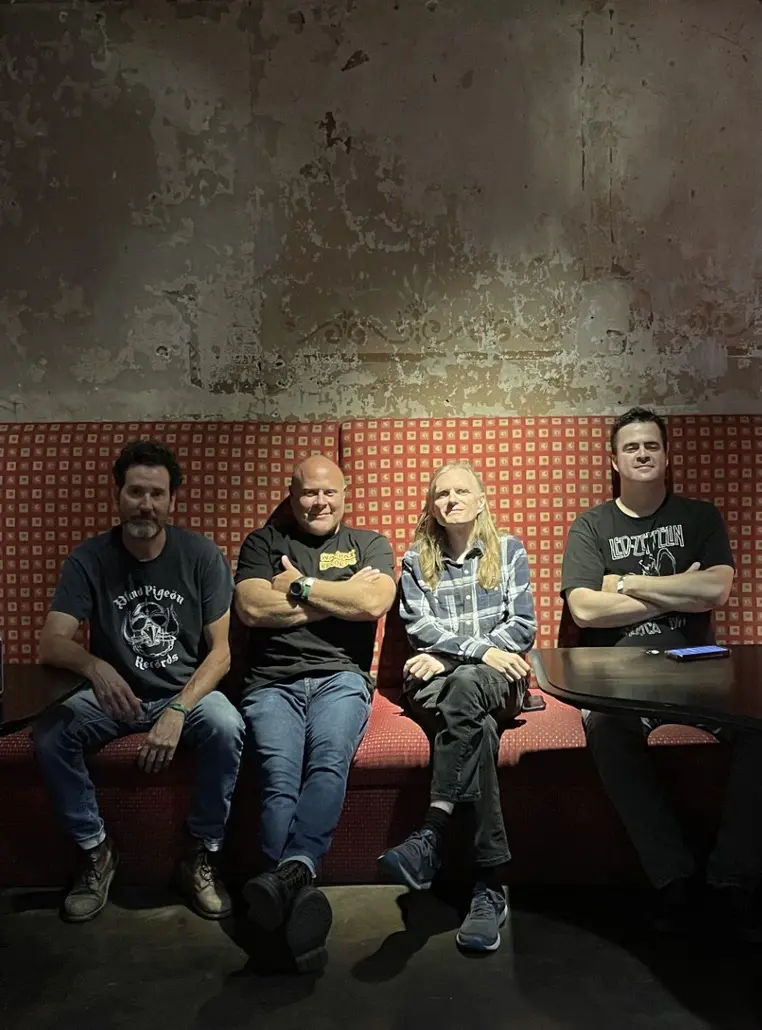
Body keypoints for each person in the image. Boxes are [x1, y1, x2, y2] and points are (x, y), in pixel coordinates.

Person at [561, 406, 762, 940]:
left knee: (759, 733)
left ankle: (731, 883)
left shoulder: (700, 518)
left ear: (667, 456)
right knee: (605, 731)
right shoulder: (592, 525)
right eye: (632, 448)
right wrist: (675, 588)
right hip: (617, 672)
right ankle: (674, 879)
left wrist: (622, 585)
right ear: (614, 460)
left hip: (700, 669)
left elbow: (716, 589)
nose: (643, 454)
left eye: (651, 446)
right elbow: (584, 609)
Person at [34, 441, 245, 924]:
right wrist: (95, 667)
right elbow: (52, 643)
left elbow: (222, 654)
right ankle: (96, 852)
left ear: (172, 501)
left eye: (156, 493)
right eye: (135, 492)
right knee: (50, 731)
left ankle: (201, 855)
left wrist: (178, 710)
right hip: (115, 697)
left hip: (184, 693)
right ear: (119, 496)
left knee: (227, 725)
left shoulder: (201, 556)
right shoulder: (90, 559)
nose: (145, 504)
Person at [234, 454, 396, 972]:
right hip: (271, 684)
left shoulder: (368, 544)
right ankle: (297, 889)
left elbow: (375, 603)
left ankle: (284, 880)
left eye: (329, 493)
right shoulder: (264, 543)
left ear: (345, 494)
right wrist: (341, 596)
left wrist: (300, 586)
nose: (319, 502)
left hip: (341, 679)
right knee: (280, 778)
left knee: (329, 760)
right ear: (292, 494)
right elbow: (253, 609)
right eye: (308, 493)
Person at [377, 461, 536, 953]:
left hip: (494, 680)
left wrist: (457, 657)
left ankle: (433, 829)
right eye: (441, 494)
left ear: (482, 499)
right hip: (440, 685)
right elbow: (418, 628)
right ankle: (489, 885)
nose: (451, 499)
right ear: (432, 506)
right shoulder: (414, 560)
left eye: (461, 491)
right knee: (480, 729)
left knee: (468, 683)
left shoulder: (509, 552)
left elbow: (523, 626)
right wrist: (480, 652)